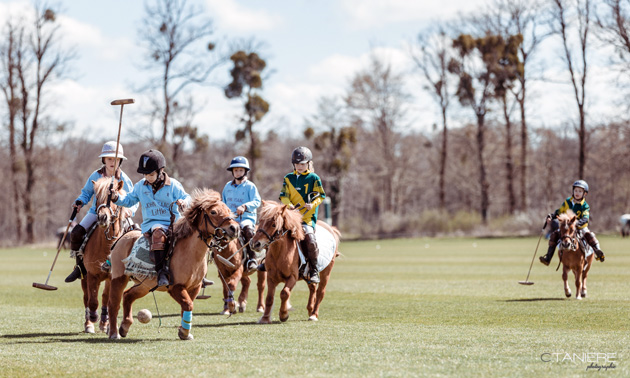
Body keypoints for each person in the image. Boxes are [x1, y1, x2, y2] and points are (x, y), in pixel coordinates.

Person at [110, 149, 190, 287]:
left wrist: (184, 202)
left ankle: (198, 273)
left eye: (151, 174)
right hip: (152, 223)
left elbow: (187, 197)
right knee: (158, 232)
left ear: (161, 171)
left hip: (174, 223)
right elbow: (129, 200)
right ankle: (161, 273)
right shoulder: (140, 186)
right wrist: (116, 197)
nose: (148, 177)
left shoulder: (174, 185)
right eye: (145, 174)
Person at [65, 141, 136, 283]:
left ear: (120, 160)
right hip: (96, 212)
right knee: (76, 232)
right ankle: (79, 267)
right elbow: (86, 193)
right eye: (109, 158)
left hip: (119, 214)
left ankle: (132, 268)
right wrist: (79, 202)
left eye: (115, 159)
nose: (112, 162)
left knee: (135, 235)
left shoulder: (125, 179)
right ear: (103, 159)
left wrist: (129, 211)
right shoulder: (96, 175)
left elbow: (134, 199)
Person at [260, 146, 326, 284]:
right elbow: (283, 196)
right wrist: (288, 204)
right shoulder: (288, 178)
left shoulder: (314, 178)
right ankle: (265, 260)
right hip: (290, 217)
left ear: (308, 163)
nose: (299, 166)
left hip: (307, 218)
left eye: (302, 164)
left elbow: (321, 196)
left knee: (310, 240)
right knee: (272, 232)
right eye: (297, 164)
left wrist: (312, 205)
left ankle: (313, 270)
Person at [539, 180, 606, 266]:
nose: (577, 193)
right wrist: (552, 216)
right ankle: (548, 258)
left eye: (580, 191)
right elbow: (560, 211)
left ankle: (598, 252)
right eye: (576, 190)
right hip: (568, 227)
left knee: (590, 235)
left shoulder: (585, 206)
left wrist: (577, 223)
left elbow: (585, 218)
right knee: (554, 235)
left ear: (584, 193)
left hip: (580, 227)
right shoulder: (567, 202)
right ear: (573, 191)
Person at [221, 156, 261, 272]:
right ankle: (213, 256)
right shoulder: (227, 186)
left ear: (245, 171)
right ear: (232, 172)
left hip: (246, 218)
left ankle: (252, 258)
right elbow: (223, 202)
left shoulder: (250, 186)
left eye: (240, 170)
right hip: (231, 218)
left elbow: (257, 201)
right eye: (236, 170)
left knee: (247, 229)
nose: (238, 173)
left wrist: (245, 206)